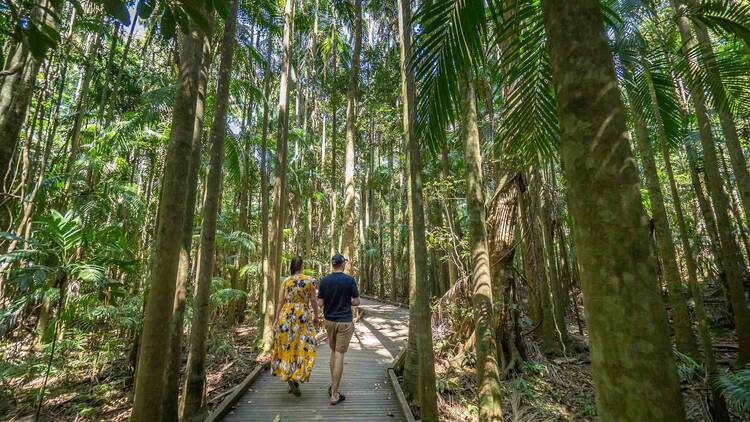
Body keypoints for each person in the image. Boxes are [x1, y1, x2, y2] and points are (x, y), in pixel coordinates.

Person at [271, 256, 319, 397]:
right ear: (302, 266)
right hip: (303, 316)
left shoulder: (286, 281)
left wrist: (276, 319)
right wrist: (316, 316)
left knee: (288, 345)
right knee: (305, 344)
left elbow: (281, 301)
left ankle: (290, 376)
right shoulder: (309, 280)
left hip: (287, 315)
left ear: (292, 266)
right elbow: (313, 300)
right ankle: (298, 374)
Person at [317, 253, 360, 405]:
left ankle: (333, 384)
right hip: (344, 322)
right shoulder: (349, 280)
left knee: (333, 351)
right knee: (340, 354)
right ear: (342, 264)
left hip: (329, 321)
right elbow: (356, 301)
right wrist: (348, 300)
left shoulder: (324, 280)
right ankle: (334, 393)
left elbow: (320, 303)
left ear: (332, 265)